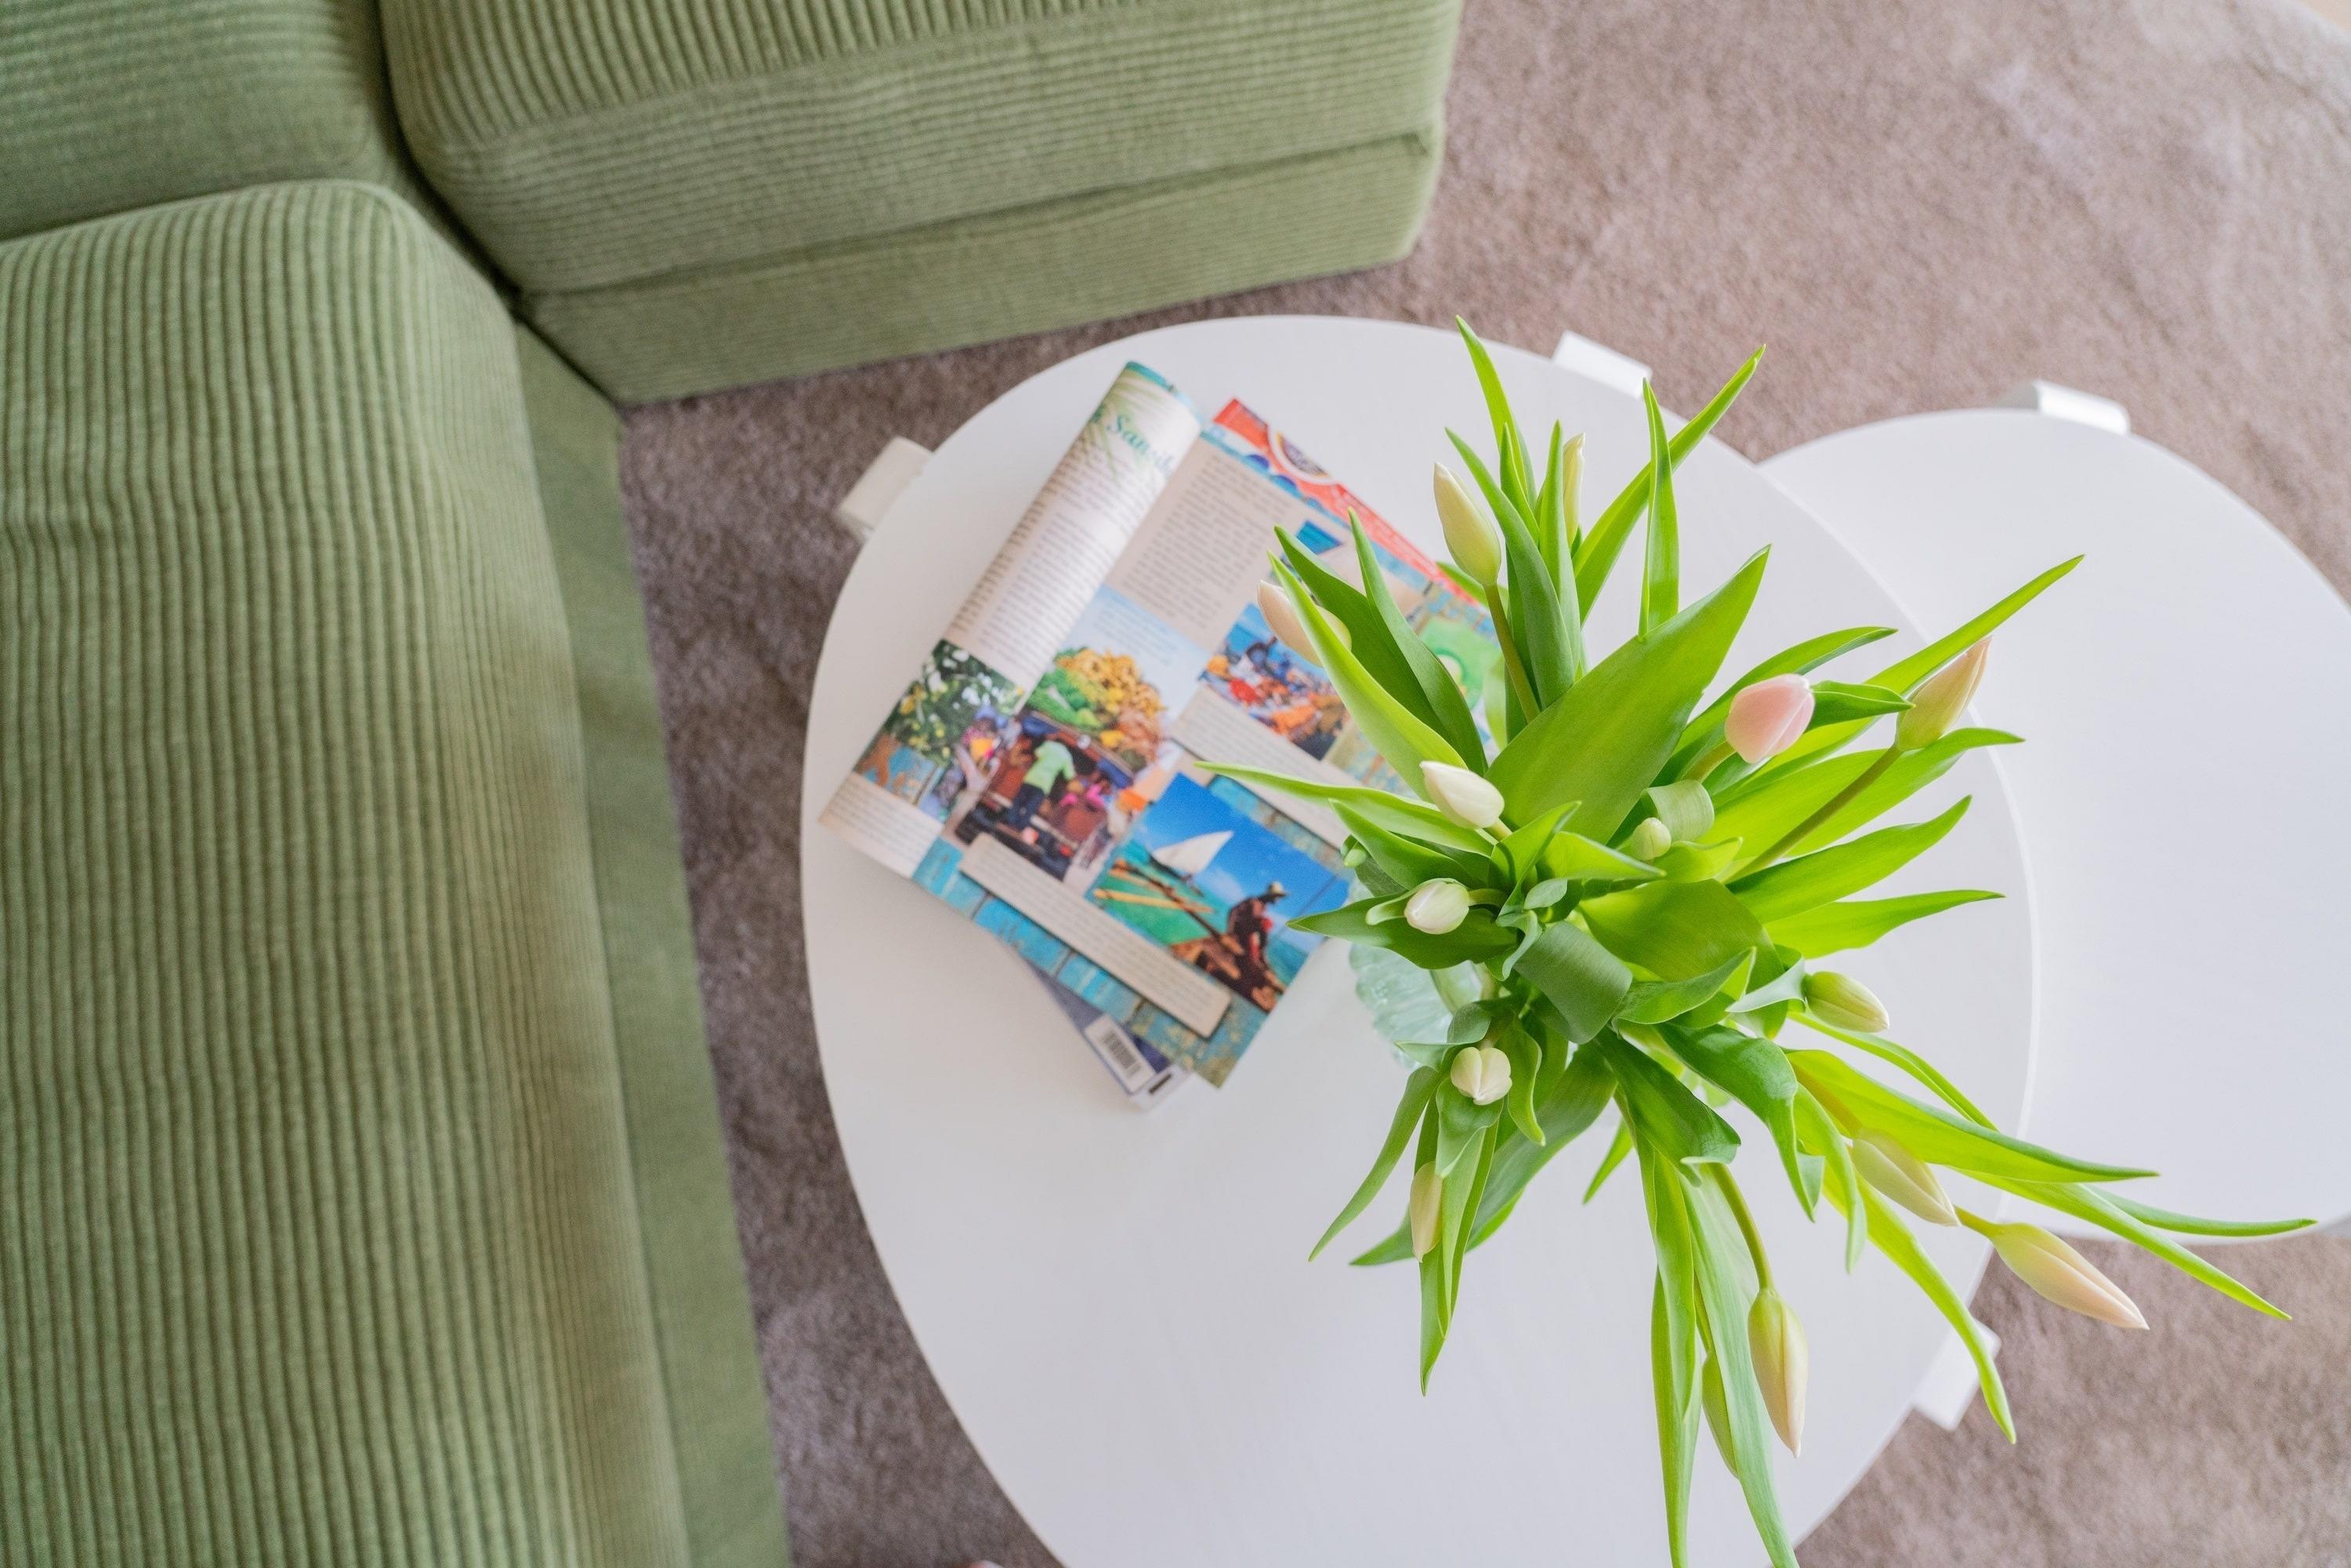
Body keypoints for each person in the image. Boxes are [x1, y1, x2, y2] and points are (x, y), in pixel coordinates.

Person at [1002, 730, 1076, 834]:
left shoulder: (1049, 745)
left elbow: (1037, 755)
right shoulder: (1067, 756)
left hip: (1032, 778)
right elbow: (1069, 775)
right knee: (1031, 807)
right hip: (1044, 784)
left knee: (1018, 801)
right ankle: (1019, 827)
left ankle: (1010, 821)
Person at [1224, 878, 1287, 973]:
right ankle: (1258, 958)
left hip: (1249, 936)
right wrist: (1230, 932)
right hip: (1241, 933)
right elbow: (1233, 911)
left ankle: (1261, 954)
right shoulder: (1253, 901)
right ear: (1272, 896)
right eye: (1278, 897)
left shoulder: (1263, 907)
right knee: (1266, 922)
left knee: (1265, 924)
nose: (1278, 900)